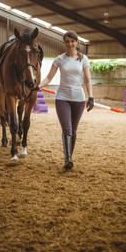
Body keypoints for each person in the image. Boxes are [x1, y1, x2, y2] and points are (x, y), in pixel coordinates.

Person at [35, 30, 94, 170]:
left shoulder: (83, 59)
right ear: (64, 43)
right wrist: (37, 86)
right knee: (67, 128)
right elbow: (49, 78)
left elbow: (87, 80)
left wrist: (90, 97)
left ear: (77, 42)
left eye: (72, 41)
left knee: (73, 130)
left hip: (79, 99)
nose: (70, 44)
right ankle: (68, 158)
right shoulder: (59, 59)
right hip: (62, 98)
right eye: (67, 41)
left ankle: (69, 157)